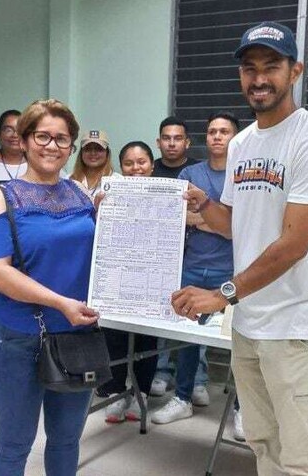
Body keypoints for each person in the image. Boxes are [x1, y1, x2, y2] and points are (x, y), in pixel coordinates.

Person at [172, 21, 308, 475]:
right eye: (250, 68)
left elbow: (293, 245)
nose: (259, 78)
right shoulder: (242, 143)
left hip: (296, 329)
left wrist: (222, 294)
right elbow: (236, 225)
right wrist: (203, 204)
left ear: (295, 71)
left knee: (303, 460)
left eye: (272, 66)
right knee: (263, 444)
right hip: (249, 324)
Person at [0, 99, 99, 476]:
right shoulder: (0, 197)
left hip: (77, 334)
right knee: (14, 444)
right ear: (24, 140)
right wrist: (60, 303)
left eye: (62, 139)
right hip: (18, 336)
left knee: (66, 440)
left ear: (71, 147)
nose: (52, 146)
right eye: (42, 136)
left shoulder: (81, 196)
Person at [151, 113, 242, 440]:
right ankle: (183, 397)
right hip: (191, 265)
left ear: (236, 137)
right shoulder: (191, 174)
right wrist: (220, 221)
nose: (217, 136)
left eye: (224, 131)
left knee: (239, 342)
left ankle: (242, 408)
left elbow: (240, 226)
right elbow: (180, 217)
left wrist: (212, 220)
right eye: (212, 131)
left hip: (232, 271)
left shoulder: (242, 175)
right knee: (186, 337)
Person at [98, 141, 160, 422]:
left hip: (152, 276)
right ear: (120, 167)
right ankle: (114, 392)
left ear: (152, 165)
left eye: (142, 162)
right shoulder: (109, 193)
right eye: (129, 163)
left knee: (147, 338)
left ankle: (141, 393)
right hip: (117, 275)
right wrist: (98, 209)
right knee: (114, 336)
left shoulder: (168, 193)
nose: (136, 168)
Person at [150, 116, 206, 401]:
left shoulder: (198, 171)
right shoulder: (149, 171)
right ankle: (161, 372)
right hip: (158, 255)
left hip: (194, 255)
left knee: (196, 317)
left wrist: (183, 218)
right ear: (158, 142)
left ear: (187, 142)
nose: (171, 143)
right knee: (164, 313)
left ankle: (198, 380)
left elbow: (204, 215)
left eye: (177, 138)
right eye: (166, 138)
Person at [70, 129, 120, 196]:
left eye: (99, 149)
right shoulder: (68, 180)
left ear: (107, 153)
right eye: (88, 149)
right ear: (81, 153)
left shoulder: (118, 181)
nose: (93, 153)